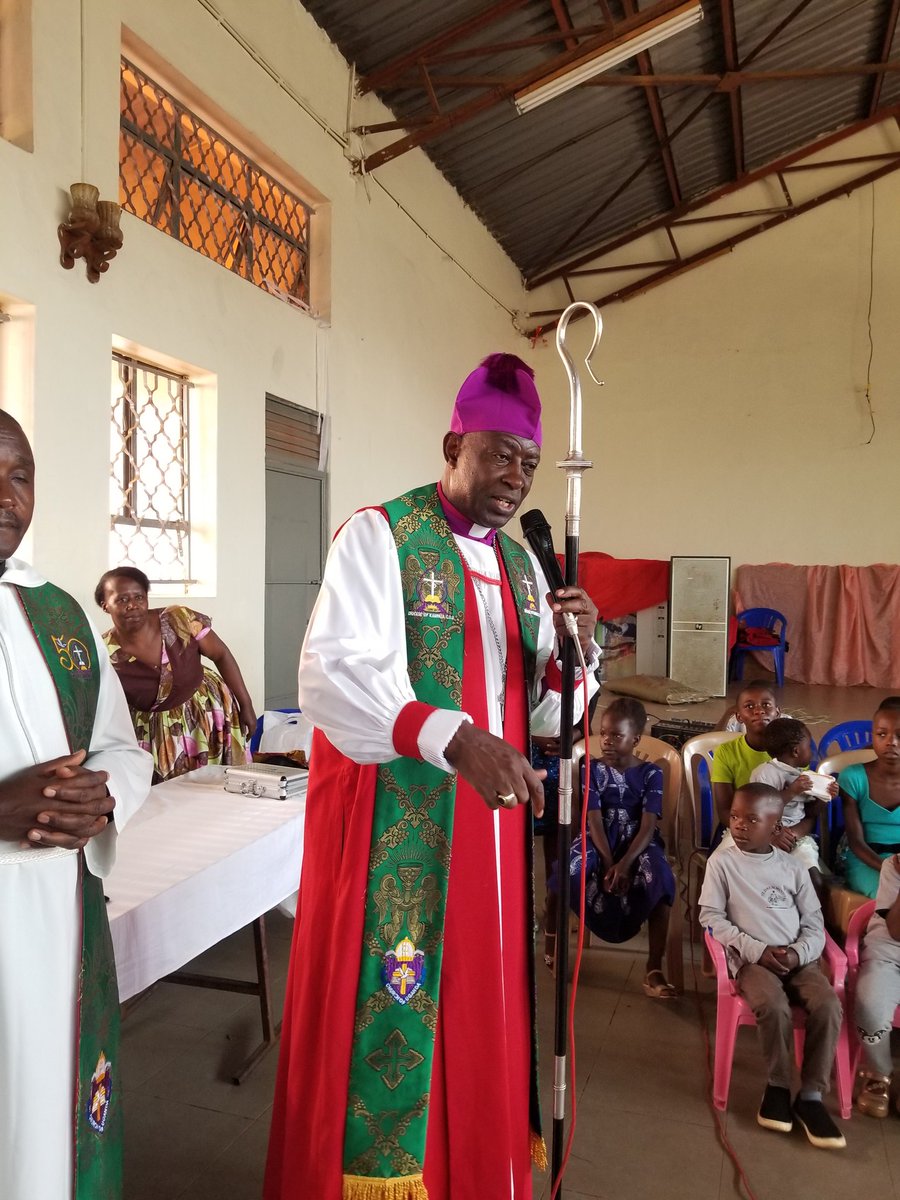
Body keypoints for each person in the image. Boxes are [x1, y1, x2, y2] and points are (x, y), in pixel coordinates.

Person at [264, 353, 600, 1200]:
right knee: (394, 1012)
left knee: (483, 1016)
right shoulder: (380, 535)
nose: (515, 477)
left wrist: (576, 655)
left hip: (490, 844)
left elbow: (544, 721)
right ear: (454, 444)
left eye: (527, 462)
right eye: (498, 455)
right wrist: (452, 740)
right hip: (395, 837)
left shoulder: (526, 570)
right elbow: (333, 676)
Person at [0, 410, 152, 1200]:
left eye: (20, 475)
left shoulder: (61, 615)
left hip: (62, 918)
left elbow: (123, 747)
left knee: (49, 1133)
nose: (6, 496)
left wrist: (103, 797)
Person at [700, 783, 845, 1149]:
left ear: (775, 825)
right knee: (773, 1005)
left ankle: (811, 1095)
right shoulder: (723, 862)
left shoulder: (792, 868)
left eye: (752, 819)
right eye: (735, 816)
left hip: (798, 959)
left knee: (828, 1004)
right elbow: (711, 916)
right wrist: (757, 949)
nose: (740, 825)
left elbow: (815, 921)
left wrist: (798, 953)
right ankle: (778, 1086)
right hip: (753, 960)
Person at [95, 567, 256, 783]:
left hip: (208, 712)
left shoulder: (179, 619)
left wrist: (245, 704)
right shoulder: (104, 652)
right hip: (158, 734)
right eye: (122, 599)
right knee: (169, 799)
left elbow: (221, 655)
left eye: (139, 597)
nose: (132, 605)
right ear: (106, 605)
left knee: (222, 786)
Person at [565, 697, 676, 997]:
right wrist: (607, 860)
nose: (607, 741)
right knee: (568, 869)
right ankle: (555, 947)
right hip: (600, 838)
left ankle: (654, 965)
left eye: (616, 735)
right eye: (603, 733)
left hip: (638, 841)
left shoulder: (652, 773)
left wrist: (624, 864)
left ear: (636, 738)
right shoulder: (593, 768)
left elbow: (648, 824)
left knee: (660, 878)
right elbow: (594, 819)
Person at [746, 717, 836, 890]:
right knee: (762, 878)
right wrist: (792, 791)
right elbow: (760, 808)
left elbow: (810, 813)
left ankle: (814, 914)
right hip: (764, 834)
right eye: (809, 746)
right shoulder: (765, 773)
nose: (812, 752)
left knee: (813, 877)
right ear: (796, 751)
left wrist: (825, 798)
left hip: (796, 837)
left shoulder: (806, 777)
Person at [853, 853, 900, 1117]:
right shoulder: (893, 866)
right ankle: (879, 1071)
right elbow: (895, 930)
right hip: (889, 952)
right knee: (870, 1002)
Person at [840, 697, 900, 898]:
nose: (891, 742)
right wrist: (888, 868)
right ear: (872, 737)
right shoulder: (853, 777)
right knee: (888, 897)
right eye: (882, 734)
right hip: (867, 859)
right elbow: (856, 842)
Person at [710, 681, 780, 839]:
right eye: (749, 706)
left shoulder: (792, 751)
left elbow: (805, 809)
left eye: (766, 704)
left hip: (782, 828)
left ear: (778, 712)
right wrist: (762, 834)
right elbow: (724, 811)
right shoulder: (726, 752)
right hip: (739, 827)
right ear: (739, 717)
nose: (759, 711)